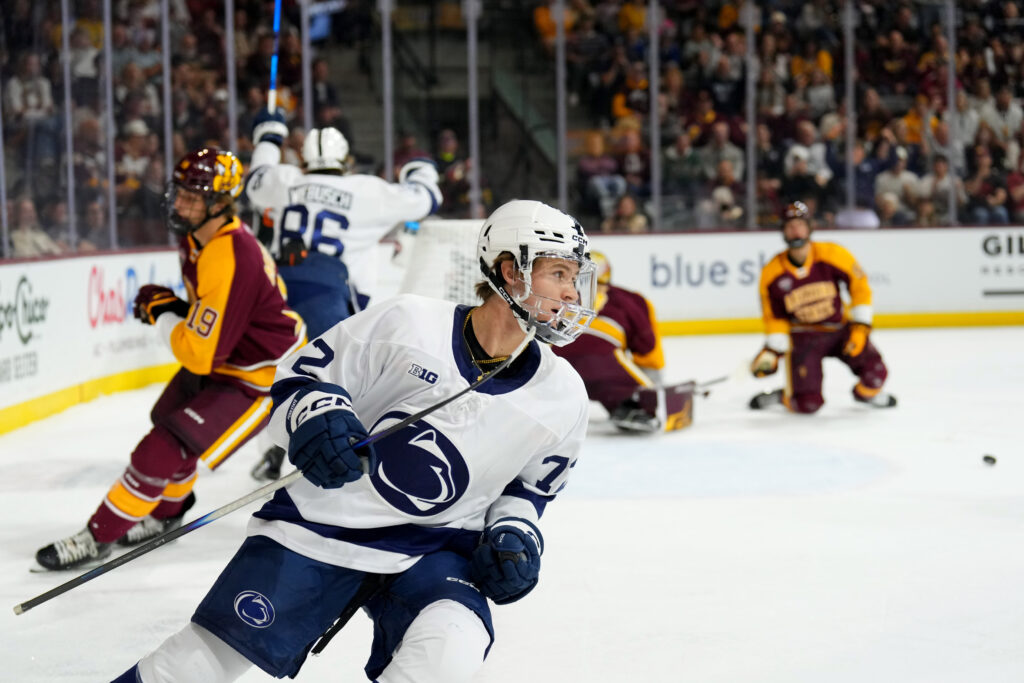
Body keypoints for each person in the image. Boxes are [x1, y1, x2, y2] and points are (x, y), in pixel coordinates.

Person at [110, 199, 596, 683]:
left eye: (574, 277)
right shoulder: (407, 323)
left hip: (438, 546)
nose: (572, 293)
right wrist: (318, 418)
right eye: (559, 274)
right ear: (511, 271)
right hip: (323, 525)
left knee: (452, 651)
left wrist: (515, 534)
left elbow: (530, 489)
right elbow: (294, 383)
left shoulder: (564, 395)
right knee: (191, 669)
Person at [34, 148, 306, 571]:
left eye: (193, 196)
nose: (180, 203)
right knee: (168, 420)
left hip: (261, 375)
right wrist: (176, 308)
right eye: (179, 193)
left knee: (162, 447)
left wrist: (164, 311)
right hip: (229, 357)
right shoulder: (196, 237)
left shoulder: (228, 253)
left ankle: (97, 536)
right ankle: (167, 514)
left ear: (220, 203)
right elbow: (210, 323)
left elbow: (199, 355)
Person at [245, 108, 443, 480]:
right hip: (334, 297)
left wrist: (268, 137)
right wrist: (418, 168)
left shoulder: (286, 181)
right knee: (338, 377)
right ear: (345, 160)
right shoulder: (366, 190)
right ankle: (341, 447)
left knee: (285, 371)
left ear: (305, 159)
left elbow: (256, 180)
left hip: (281, 292)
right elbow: (426, 198)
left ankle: (274, 446)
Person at [749, 201, 897, 413]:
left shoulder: (832, 254)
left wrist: (860, 328)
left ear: (810, 227)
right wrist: (773, 351)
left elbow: (860, 288)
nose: (796, 230)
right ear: (783, 231)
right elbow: (774, 316)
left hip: (840, 330)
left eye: (800, 224)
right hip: (803, 338)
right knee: (807, 405)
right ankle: (785, 396)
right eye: (790, 226)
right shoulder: (771, 273)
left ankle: (866, 395)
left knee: (876, 373)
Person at [552, 251, 691, 433]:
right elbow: (647, 346)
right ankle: (628, 408)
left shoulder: (554, 292)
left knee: (552, 386)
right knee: (624, 391)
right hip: (605, 365)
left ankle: (552, 407)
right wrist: (651, 388)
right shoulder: (631, 300)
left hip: (559, 361)